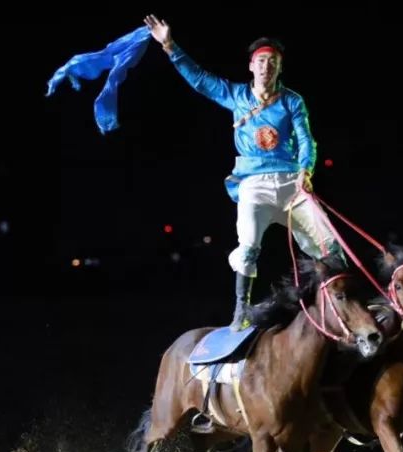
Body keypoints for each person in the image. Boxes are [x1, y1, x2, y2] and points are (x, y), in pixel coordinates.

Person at [144, 14, 345, 331]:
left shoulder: (293, 101)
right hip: (254, 185)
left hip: (292, 184)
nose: (267, 67)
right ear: (252, 66)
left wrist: (305, 170)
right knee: (249, 244)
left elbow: (306, 140)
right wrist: (169, 46)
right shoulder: (236, 95)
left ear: (280, 67)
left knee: (332, 247)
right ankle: (241, 309)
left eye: (273, 62)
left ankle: (335, 304)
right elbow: (200, 80)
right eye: (262, 61)